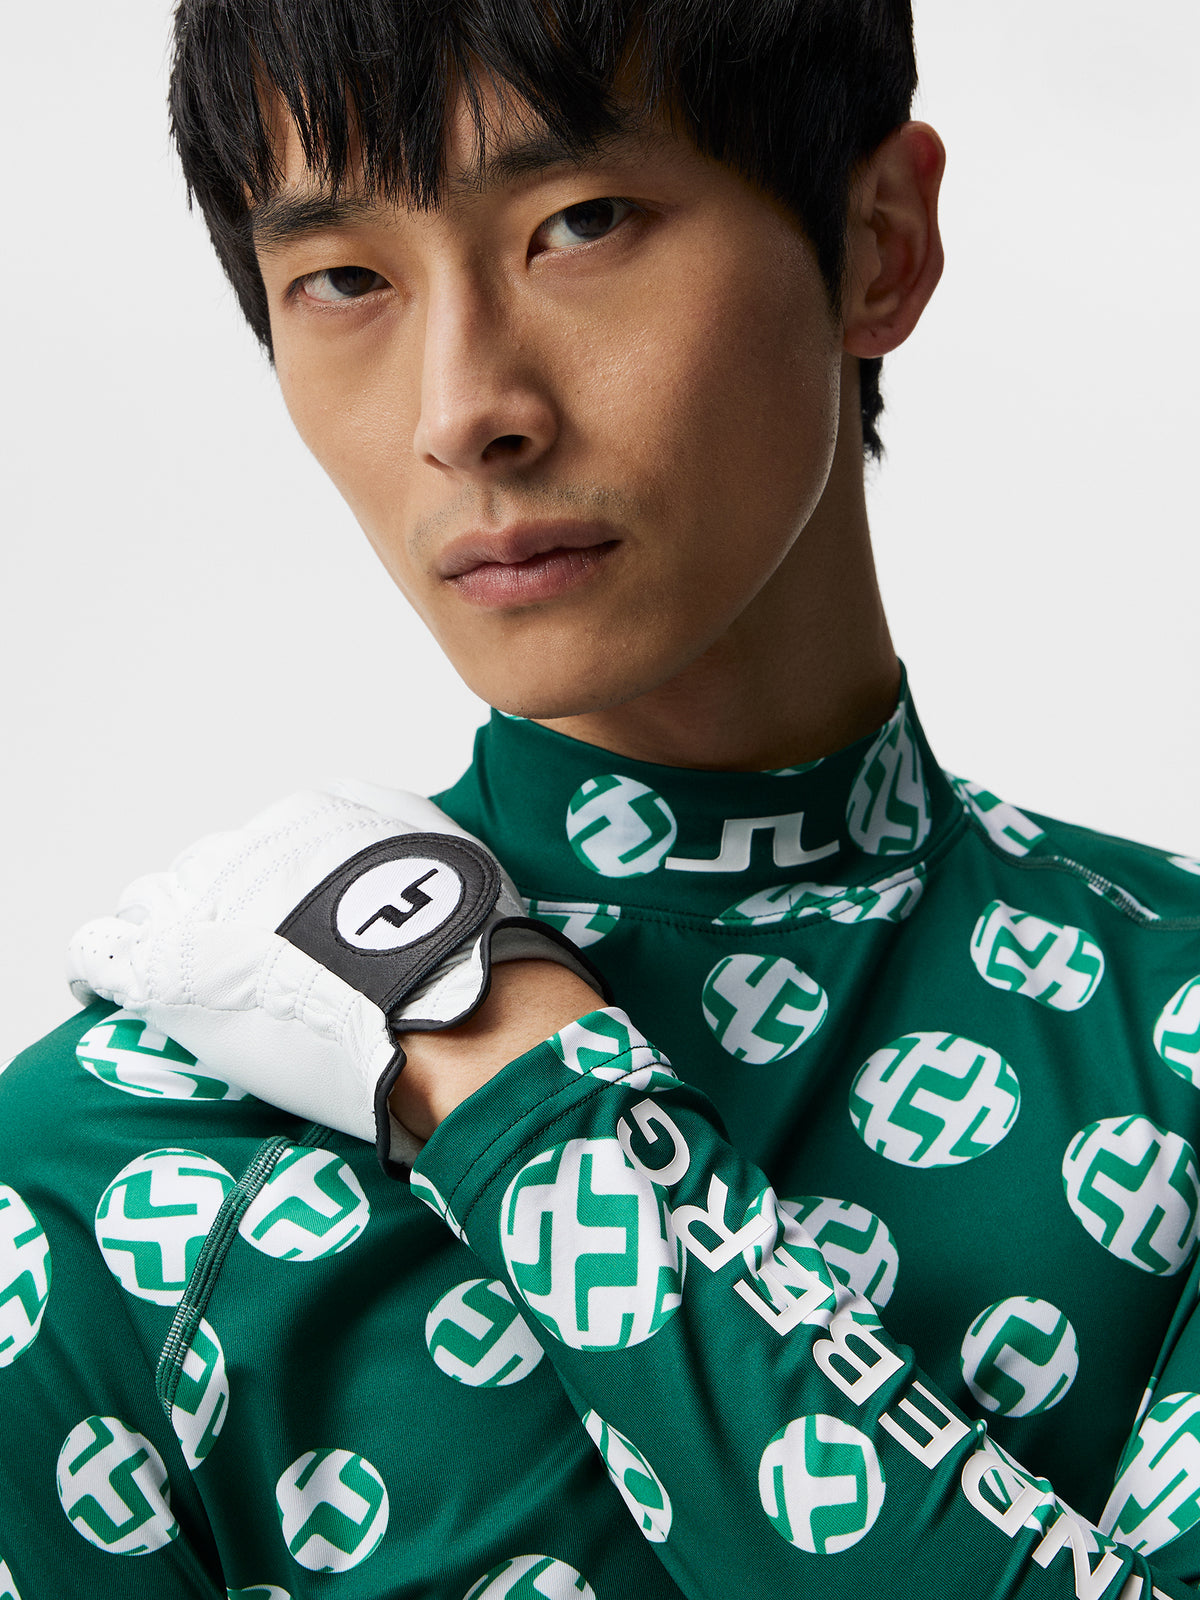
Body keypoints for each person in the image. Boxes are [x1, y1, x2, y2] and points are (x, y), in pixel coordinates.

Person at [1, 3, 1198, 1598]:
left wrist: (527, 1093)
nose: (462, 411)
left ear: (879, 245)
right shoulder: (107, 1171)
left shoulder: (1179, 1032)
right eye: (344, 279)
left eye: (580, 224)